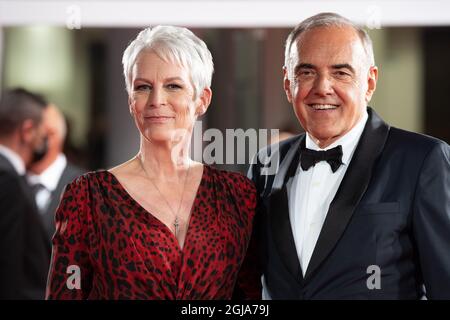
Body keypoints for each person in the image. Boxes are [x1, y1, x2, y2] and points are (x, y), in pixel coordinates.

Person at [46, 25, 260, 299]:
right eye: (143, 87)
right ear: (130, 101)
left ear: (202, 100)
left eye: (173, 86)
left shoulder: (238, 196)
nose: (157, 100)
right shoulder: (87, 197)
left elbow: (250, 299)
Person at [249, 12, 450, 299]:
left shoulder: (422, 160)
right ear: (287, 83)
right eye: (306, 72)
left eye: (340, 73)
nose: (322, 88)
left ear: (369, 83)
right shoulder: (264, 164)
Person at [0, 88, 51, 299]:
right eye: (43, 131)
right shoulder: (8, 181)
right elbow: (7, 269)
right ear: (28, 130)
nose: (44, 139)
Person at [28, 104, 85, 242]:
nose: (25, 139)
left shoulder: (86, 187)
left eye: (32, 132)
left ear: (52, 136)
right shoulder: (11, 180)